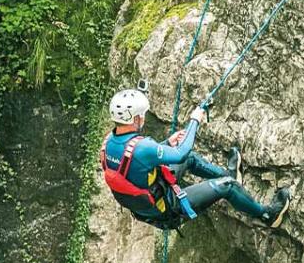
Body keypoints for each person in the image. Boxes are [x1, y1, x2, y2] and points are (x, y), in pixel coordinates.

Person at [100, 88, 293, 230]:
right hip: (168, 209)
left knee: (190, 160)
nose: (143, 118)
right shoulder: (143, 148)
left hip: (150, 203)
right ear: (135, 119)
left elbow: (137, 163)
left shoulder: (109, 142)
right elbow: (179, 153)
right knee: (227, 186)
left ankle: (229, 173)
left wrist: (167, 142)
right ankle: (267, 215)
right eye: (142, 115)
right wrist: (195, 120)